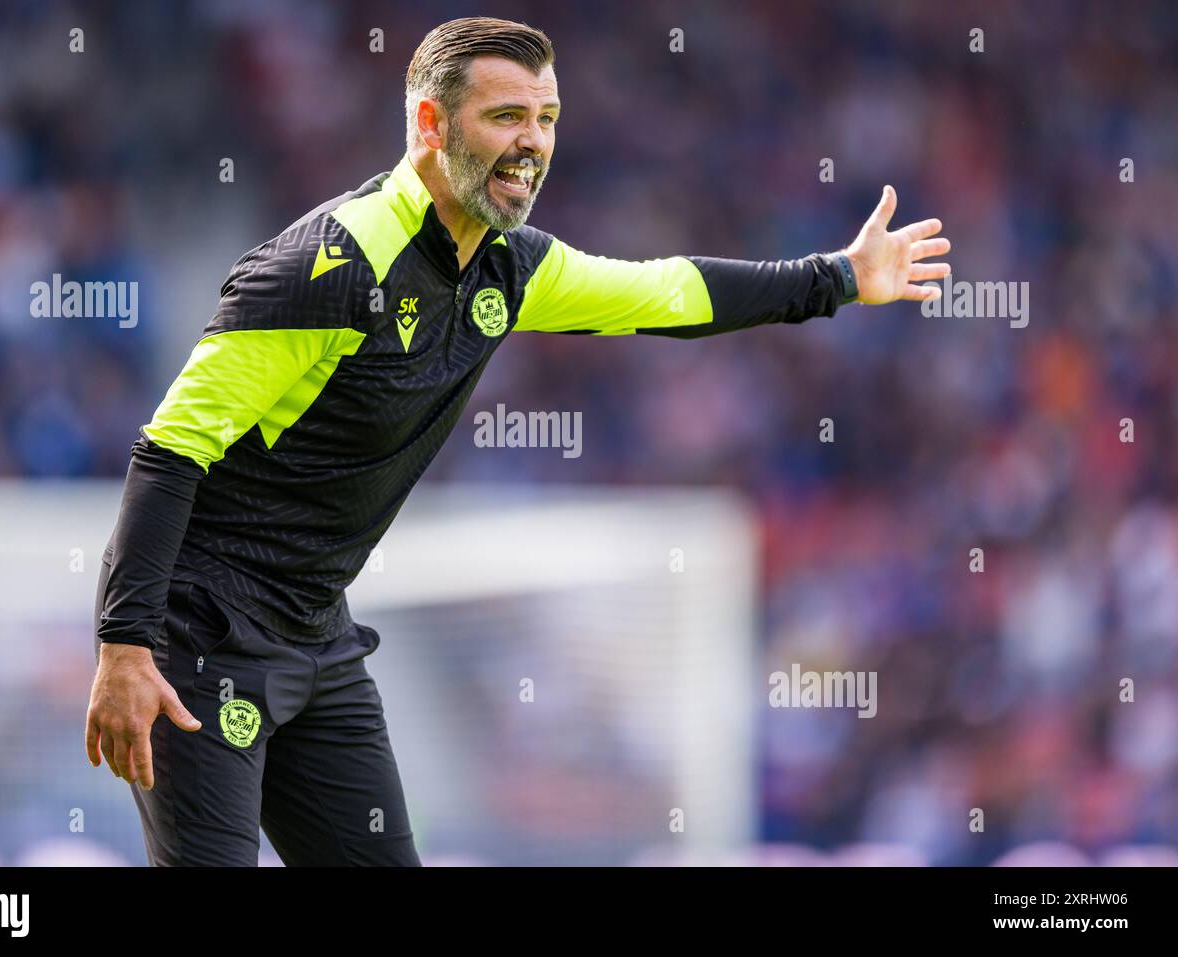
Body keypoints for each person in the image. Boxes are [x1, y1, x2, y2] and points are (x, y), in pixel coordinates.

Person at [85, 15, 950, 866]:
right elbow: (170, 451)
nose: (532, 142)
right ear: (429, 124)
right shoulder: (323, 270)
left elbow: (663, 294)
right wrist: (126, 644)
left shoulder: (512, 265)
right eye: (506, 117)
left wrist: (836, 277)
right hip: (193, 639)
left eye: (546, 120)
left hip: (314, 634)